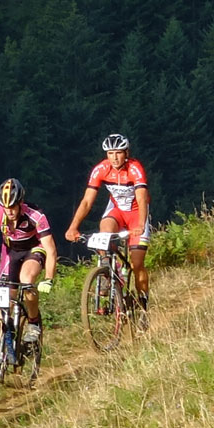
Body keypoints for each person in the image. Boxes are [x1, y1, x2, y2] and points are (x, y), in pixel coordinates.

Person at [64, 133, 151, 312]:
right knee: (104, 230)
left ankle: (143, 302)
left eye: (118, 153)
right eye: (110, 153)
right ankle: (108, 269)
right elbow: (87, 201)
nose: (114, 157)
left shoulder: (135, 168)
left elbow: (142, 199)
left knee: (137, 263)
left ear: (126, 153)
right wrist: (73, 226)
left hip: (136, 213)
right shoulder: (101, 169)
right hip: (117, 210)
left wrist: (140, 224)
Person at [0, 178, 58, 344]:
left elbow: (51, 250)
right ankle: (6, 340)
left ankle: (33, 322)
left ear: (21, 203)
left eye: (13, 207)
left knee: (27, 280)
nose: (9, 211)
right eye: (5, 207)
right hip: (11, 252)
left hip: (34, 249)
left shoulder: (36, 215)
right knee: (5, 299)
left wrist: (49, 278)